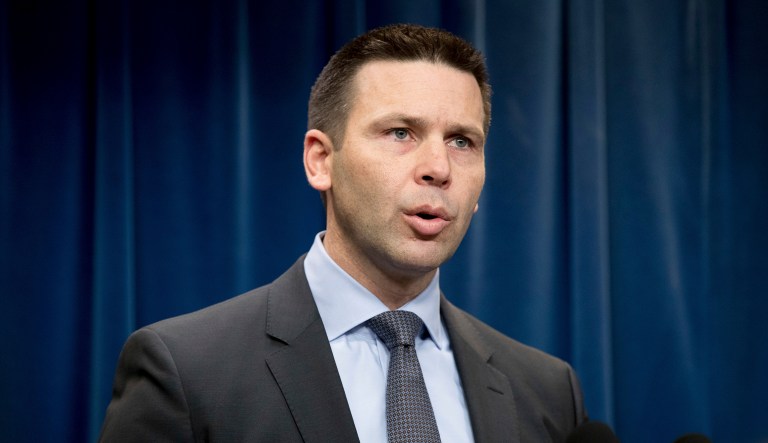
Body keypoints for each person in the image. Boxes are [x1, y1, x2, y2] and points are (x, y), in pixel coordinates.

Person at [99, 23, 587, 442]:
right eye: (400, 133)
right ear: (321, 160)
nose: (438, 168)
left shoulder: (546, 389)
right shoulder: (187, 372)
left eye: (462, 141)